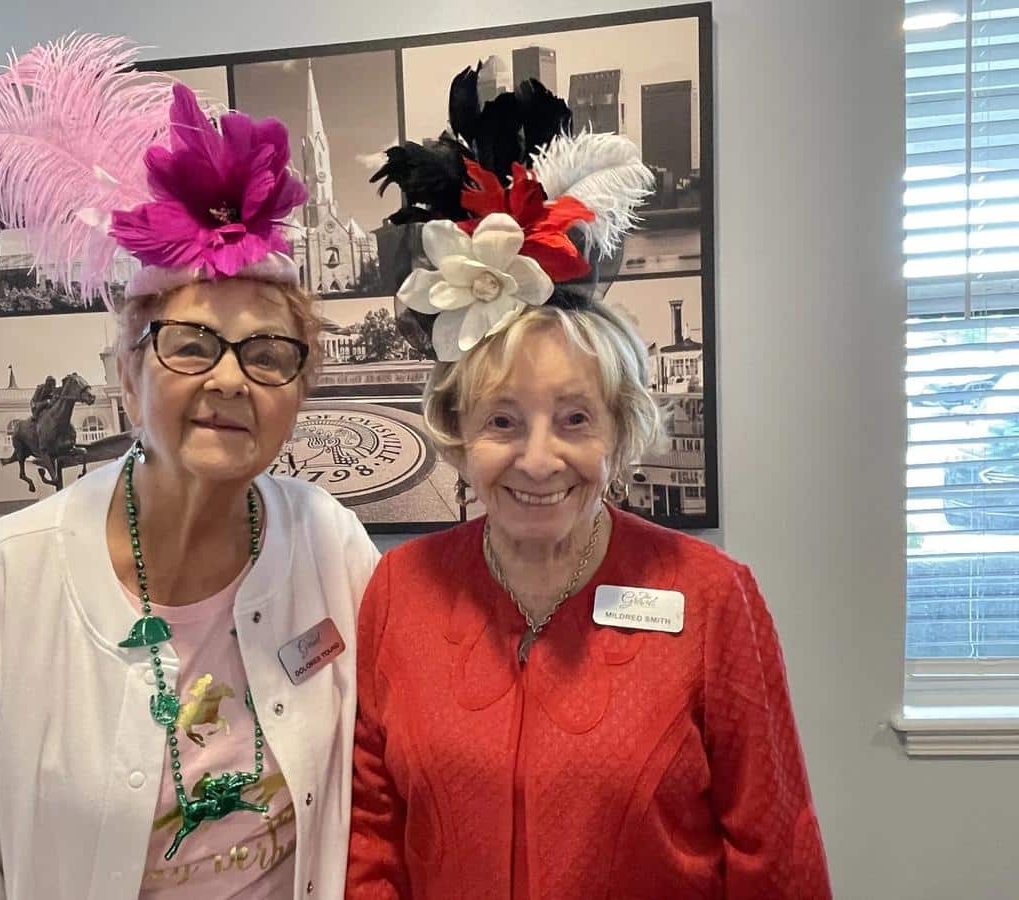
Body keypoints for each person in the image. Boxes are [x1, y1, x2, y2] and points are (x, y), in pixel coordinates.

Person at [0, 35, 377, 900]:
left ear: (299, 390)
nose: (229, 380)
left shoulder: (331, 547)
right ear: (127, 374)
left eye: (267, 353)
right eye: (191, 345)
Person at [345, 67, 831, 899]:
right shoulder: (398, 592)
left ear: (619, 428)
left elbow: (774, 857)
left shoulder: (713, 598)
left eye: (575, 418)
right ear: (458, 430)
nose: (539, 460)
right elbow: (374, 838)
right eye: (503, 421)